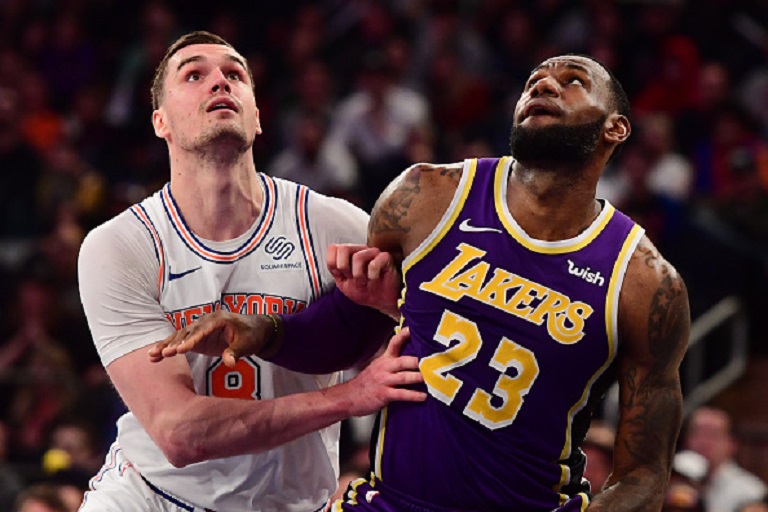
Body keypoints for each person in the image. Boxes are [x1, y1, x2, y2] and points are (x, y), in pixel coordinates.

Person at [153, 54, 691, 510]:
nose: (545, 84)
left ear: (615, 128)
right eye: (533, 82)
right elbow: (346, 326)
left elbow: (643, 472)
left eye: (573, 81)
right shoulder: (428, 196)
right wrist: (264, 331)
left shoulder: (643, 283)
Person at [77, 30, 425, 512]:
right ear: (161, 122)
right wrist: (351, 396)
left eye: (234, 74)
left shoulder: (334, 225)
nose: (219, 81)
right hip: (153, 496)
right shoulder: (119, 245)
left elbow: (429, 324)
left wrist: (388, 302)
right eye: (194, 74)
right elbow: (180, 434)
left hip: (292, 501)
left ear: (257, 116)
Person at [684, 406, 767, 512]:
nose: (703, 442)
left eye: (713, 435)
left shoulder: (751, 492)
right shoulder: (671, 484)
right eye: (697, 433)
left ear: (732, 444)